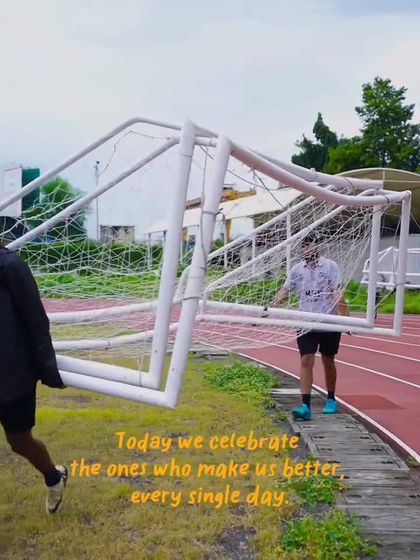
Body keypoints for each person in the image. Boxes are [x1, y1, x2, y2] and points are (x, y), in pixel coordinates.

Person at [0, 242, 68, 513]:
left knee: (19, 441)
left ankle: (54, 477)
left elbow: (36, 320)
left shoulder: (10, 265)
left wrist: (47, 368)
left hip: (11, 376)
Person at [271, 234, 349, 421]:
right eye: (303, 247)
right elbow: (286, 290)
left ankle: (331, 398)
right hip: (305, 322)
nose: (305, 250)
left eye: (308, 246)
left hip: (328, 322)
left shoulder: (330, 266)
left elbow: (336, 292)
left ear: (316, 247)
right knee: (306, 359)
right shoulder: (296, 269)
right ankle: (305, 405)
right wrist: (273, 304)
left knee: (328, 360)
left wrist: (345, 317)